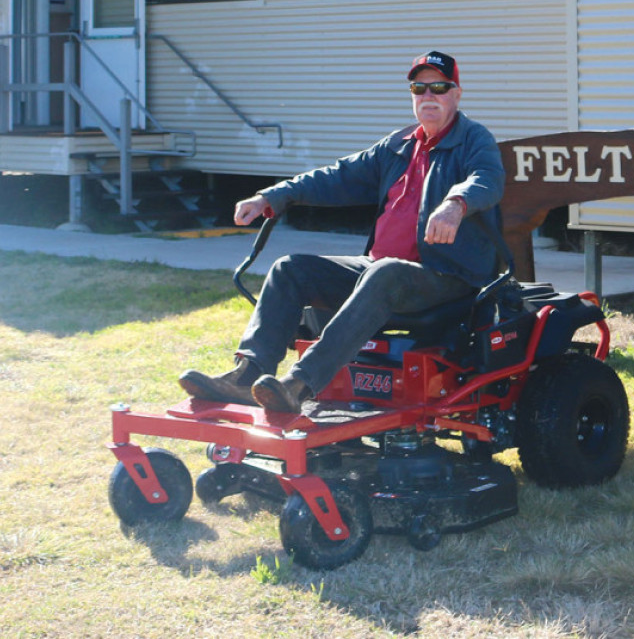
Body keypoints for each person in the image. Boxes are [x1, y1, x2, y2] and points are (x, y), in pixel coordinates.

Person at [179, 50, 505, 413]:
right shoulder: (397, 147)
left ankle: (299, 384)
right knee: (291, 269)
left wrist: (455, 204)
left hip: (447, 277)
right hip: (384, 274)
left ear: (457, 93)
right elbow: (336, 176)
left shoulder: (475, 139)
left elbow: (487, 179)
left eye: (439, 87)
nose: (428, 96)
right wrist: (271, 196)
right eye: (419, 88)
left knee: (386, 271)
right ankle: (246, 375)